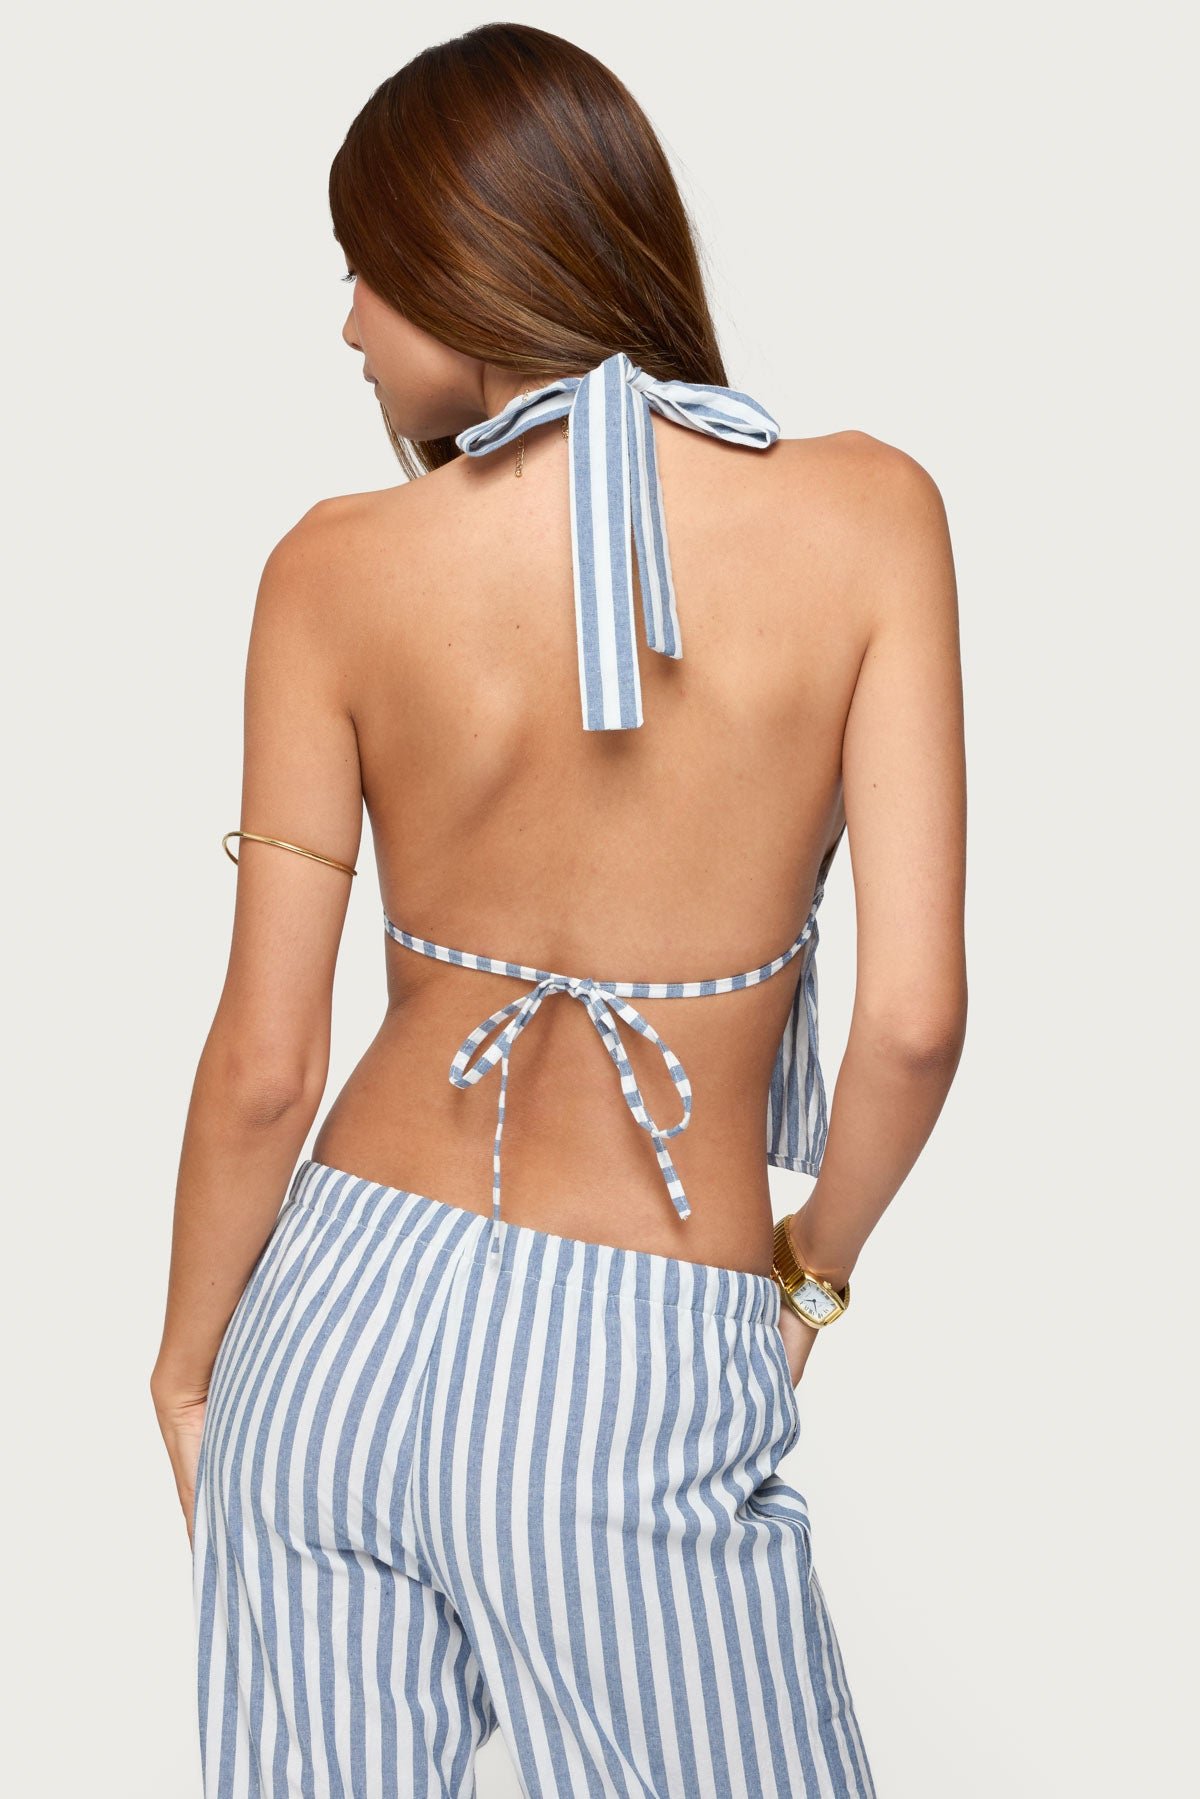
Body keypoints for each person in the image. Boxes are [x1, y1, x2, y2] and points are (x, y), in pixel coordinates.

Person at [151, 21, 967, 1799]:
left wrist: (192, 1371)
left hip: (331, 1333)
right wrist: (810, 1279)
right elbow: (913, 1026)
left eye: (366, 268)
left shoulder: (329, 569)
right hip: (639, 1342)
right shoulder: (870, 516)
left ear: (468, 261)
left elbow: (268, 1067)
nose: (347, 325)